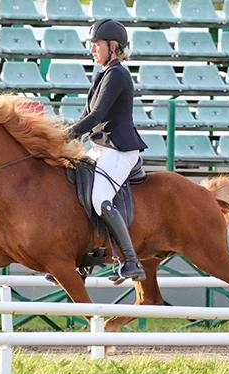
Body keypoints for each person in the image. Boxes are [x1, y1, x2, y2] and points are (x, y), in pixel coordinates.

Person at [69, 19, 147, 283]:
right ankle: (85, 257)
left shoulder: (117, 74)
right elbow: (88, 113)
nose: (92, 49)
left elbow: (99, 114)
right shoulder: (102, 74)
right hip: (102, 148)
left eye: (96, 44)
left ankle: (131, 261)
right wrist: (64, 135)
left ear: (113, 47)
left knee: (100, 198)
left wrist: (70, 133)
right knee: (73, 186)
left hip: (119, 149)